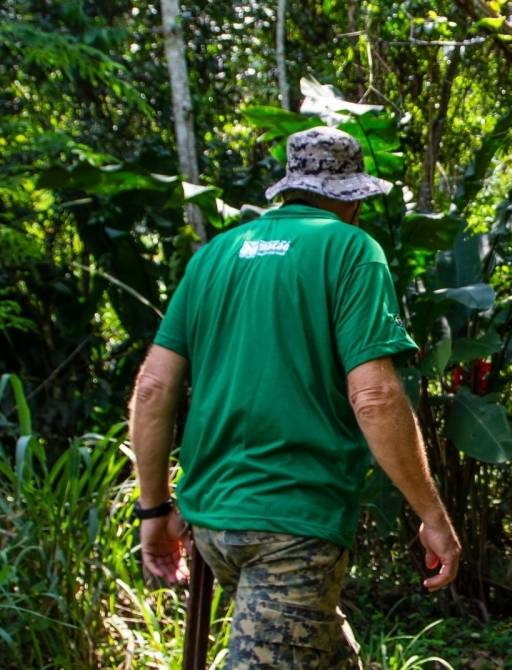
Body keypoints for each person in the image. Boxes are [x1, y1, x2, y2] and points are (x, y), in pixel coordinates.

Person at [129, 126, 460, 668]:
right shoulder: (352, 249)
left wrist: (154, 509)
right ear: (352, 197)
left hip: (211, 522)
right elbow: (374, 396)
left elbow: (153, 387)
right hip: (292, 529)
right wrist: (433, 516)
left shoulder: (215, 254)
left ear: (289, 188)